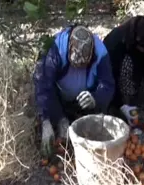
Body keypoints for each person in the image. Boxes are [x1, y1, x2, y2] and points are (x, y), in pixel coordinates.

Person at [33, 25, 115, 157]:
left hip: (85, 99)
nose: (78, 70)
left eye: (82, 66)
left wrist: (96, 98)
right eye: (75, 65)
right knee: (54, 122)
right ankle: (60, 117)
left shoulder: (101, 53)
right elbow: (43, 85)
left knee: (92, 130)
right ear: (69, 51)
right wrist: (46, 120)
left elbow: (108, 85)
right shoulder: (55, 50)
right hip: (59, 96)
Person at [103, 16, 144, 126]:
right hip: (109, 75)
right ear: (136, 41)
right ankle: (122, 100)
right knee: (128, 65)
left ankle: (135, 92)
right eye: (143, 49)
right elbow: (110, 76)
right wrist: (120, 105)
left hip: (130, 58)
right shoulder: (115, 44)